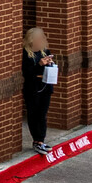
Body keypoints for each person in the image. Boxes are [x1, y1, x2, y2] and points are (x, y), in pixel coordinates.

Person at [22, 27, 57, 155]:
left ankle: (41, 140)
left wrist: (49, 63)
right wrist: (39, 65)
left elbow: (50, 68)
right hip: (33, 88)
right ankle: (36, 140)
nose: (40, 41)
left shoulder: (45, 51)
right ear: (31, 40)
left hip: (45, 86)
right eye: (37, 39)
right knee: (33, 114)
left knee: (42, 114)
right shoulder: (26, 53)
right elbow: (27, 72)